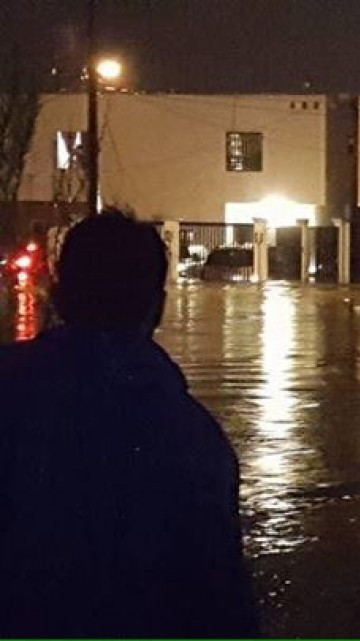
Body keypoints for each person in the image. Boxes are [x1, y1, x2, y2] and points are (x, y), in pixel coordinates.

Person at [0, 210, 258, 637]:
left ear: (58, 296)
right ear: (157, 307)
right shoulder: (194, 441)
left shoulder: (11, 397)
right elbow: (223, 604)